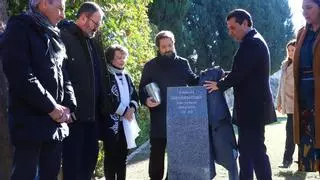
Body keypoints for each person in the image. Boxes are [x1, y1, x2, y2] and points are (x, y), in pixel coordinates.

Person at [0, 0, 77, 179]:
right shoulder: (19, 28)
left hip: (55, 126)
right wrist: (52, 107)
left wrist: (68, 106)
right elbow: (20, 75)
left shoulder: (53, 34)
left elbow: (63, 74)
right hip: (30, 127)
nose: (63, 15)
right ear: (43, 4)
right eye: (59, 9)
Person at [204, 9, 277, 180]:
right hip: (252, 108)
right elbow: (243, 71)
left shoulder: (252, 43)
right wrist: (223, 76)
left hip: (253, 109)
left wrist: (219, 85)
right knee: (247, 151)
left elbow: (239, 74)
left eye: (233, 28)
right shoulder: (253, 41)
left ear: (245, 23)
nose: (230, 32)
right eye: (228, 28)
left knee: (256, 151)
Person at [138, 30, 198, 180]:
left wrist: (213, 76)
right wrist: (146, 100)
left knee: (178, 156)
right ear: (158, 47)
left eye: (169, 45)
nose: (167, 49)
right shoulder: (150, 66)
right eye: (163, 46)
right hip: (159, 118)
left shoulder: (183, 63)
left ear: (174, 44)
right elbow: (141, 90)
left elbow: (194, 81)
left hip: (180, 119)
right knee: (157, 155)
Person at [58, 2, 106, 180]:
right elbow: (61, 75)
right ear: (84, 17)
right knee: (72, 167)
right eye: (95, 23)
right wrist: (67, 106)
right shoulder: (64, 36)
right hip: (73, 118)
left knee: (89, 163)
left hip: (92, 118)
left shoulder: (91, 42)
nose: (97, 28)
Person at [100, 44, 139, 180]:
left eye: (124, 57)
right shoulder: (106, 76)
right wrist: (124, 111)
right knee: (111, 157)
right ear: (111, 59)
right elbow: (106, 99)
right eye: (118, 58)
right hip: (111, 124)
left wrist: (132, 109)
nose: (122, 60)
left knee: (123, 157)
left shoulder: (127, 76)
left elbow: (135, 96)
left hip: (126, 124)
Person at [293, 0, 320, 173]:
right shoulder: (302, 33)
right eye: (302, 8)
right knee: (310, 148)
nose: (304, 12)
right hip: (305, 101)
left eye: (309, 7)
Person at [276, 39, 296, 168]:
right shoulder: (284, 65)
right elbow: (280, 85)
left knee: (300, 134)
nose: (290, 53)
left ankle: (302, 160)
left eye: (293, 50)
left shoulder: (301, 64)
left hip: (299, 104)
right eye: (288, 50)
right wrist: (279, 102)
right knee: (290, 133)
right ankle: (287, 161)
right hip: (287, 104)